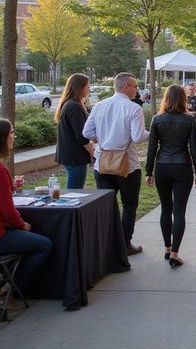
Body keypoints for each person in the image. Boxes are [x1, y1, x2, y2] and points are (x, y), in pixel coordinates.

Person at [83, 72, 149, 256]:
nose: (137, 90)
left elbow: (87, 132)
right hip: (127, 164)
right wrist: (150, 133)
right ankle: (124, 243)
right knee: (129, 204)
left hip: (102, 163)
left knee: (107, 205)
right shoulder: (134, 108)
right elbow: (137, 136)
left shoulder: (100, 106)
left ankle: (106, 242)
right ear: (126, 86)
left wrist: (104, 138)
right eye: (135, 86)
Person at [145, 85, 196, 268]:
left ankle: (167, 249)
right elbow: (194, 147)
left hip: (162, 166)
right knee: (179, 211)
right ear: (183, 99)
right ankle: (175, 253)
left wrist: (148, 171)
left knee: (165, 209)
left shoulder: (157, 119)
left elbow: (152, 148)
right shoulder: (189, 119)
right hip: (182, 166)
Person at [0, 119, 53, 309]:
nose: (14, 136)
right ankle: (10, 290)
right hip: (1, 236)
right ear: (3, 138)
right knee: (44, 245)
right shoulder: (1, 170)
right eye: (12, 133)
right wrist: (23, 225)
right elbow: (7, 211)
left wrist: (11, 186)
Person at [54, 73, 94, 189]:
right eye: (87, 86)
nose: (89, 89)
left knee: (75, 189)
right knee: (74, 192)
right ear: (79, 87)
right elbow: (82, 136)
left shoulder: (69, 104)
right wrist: (92, 152)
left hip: (70, 154)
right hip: (75, 156)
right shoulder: (74, 106)